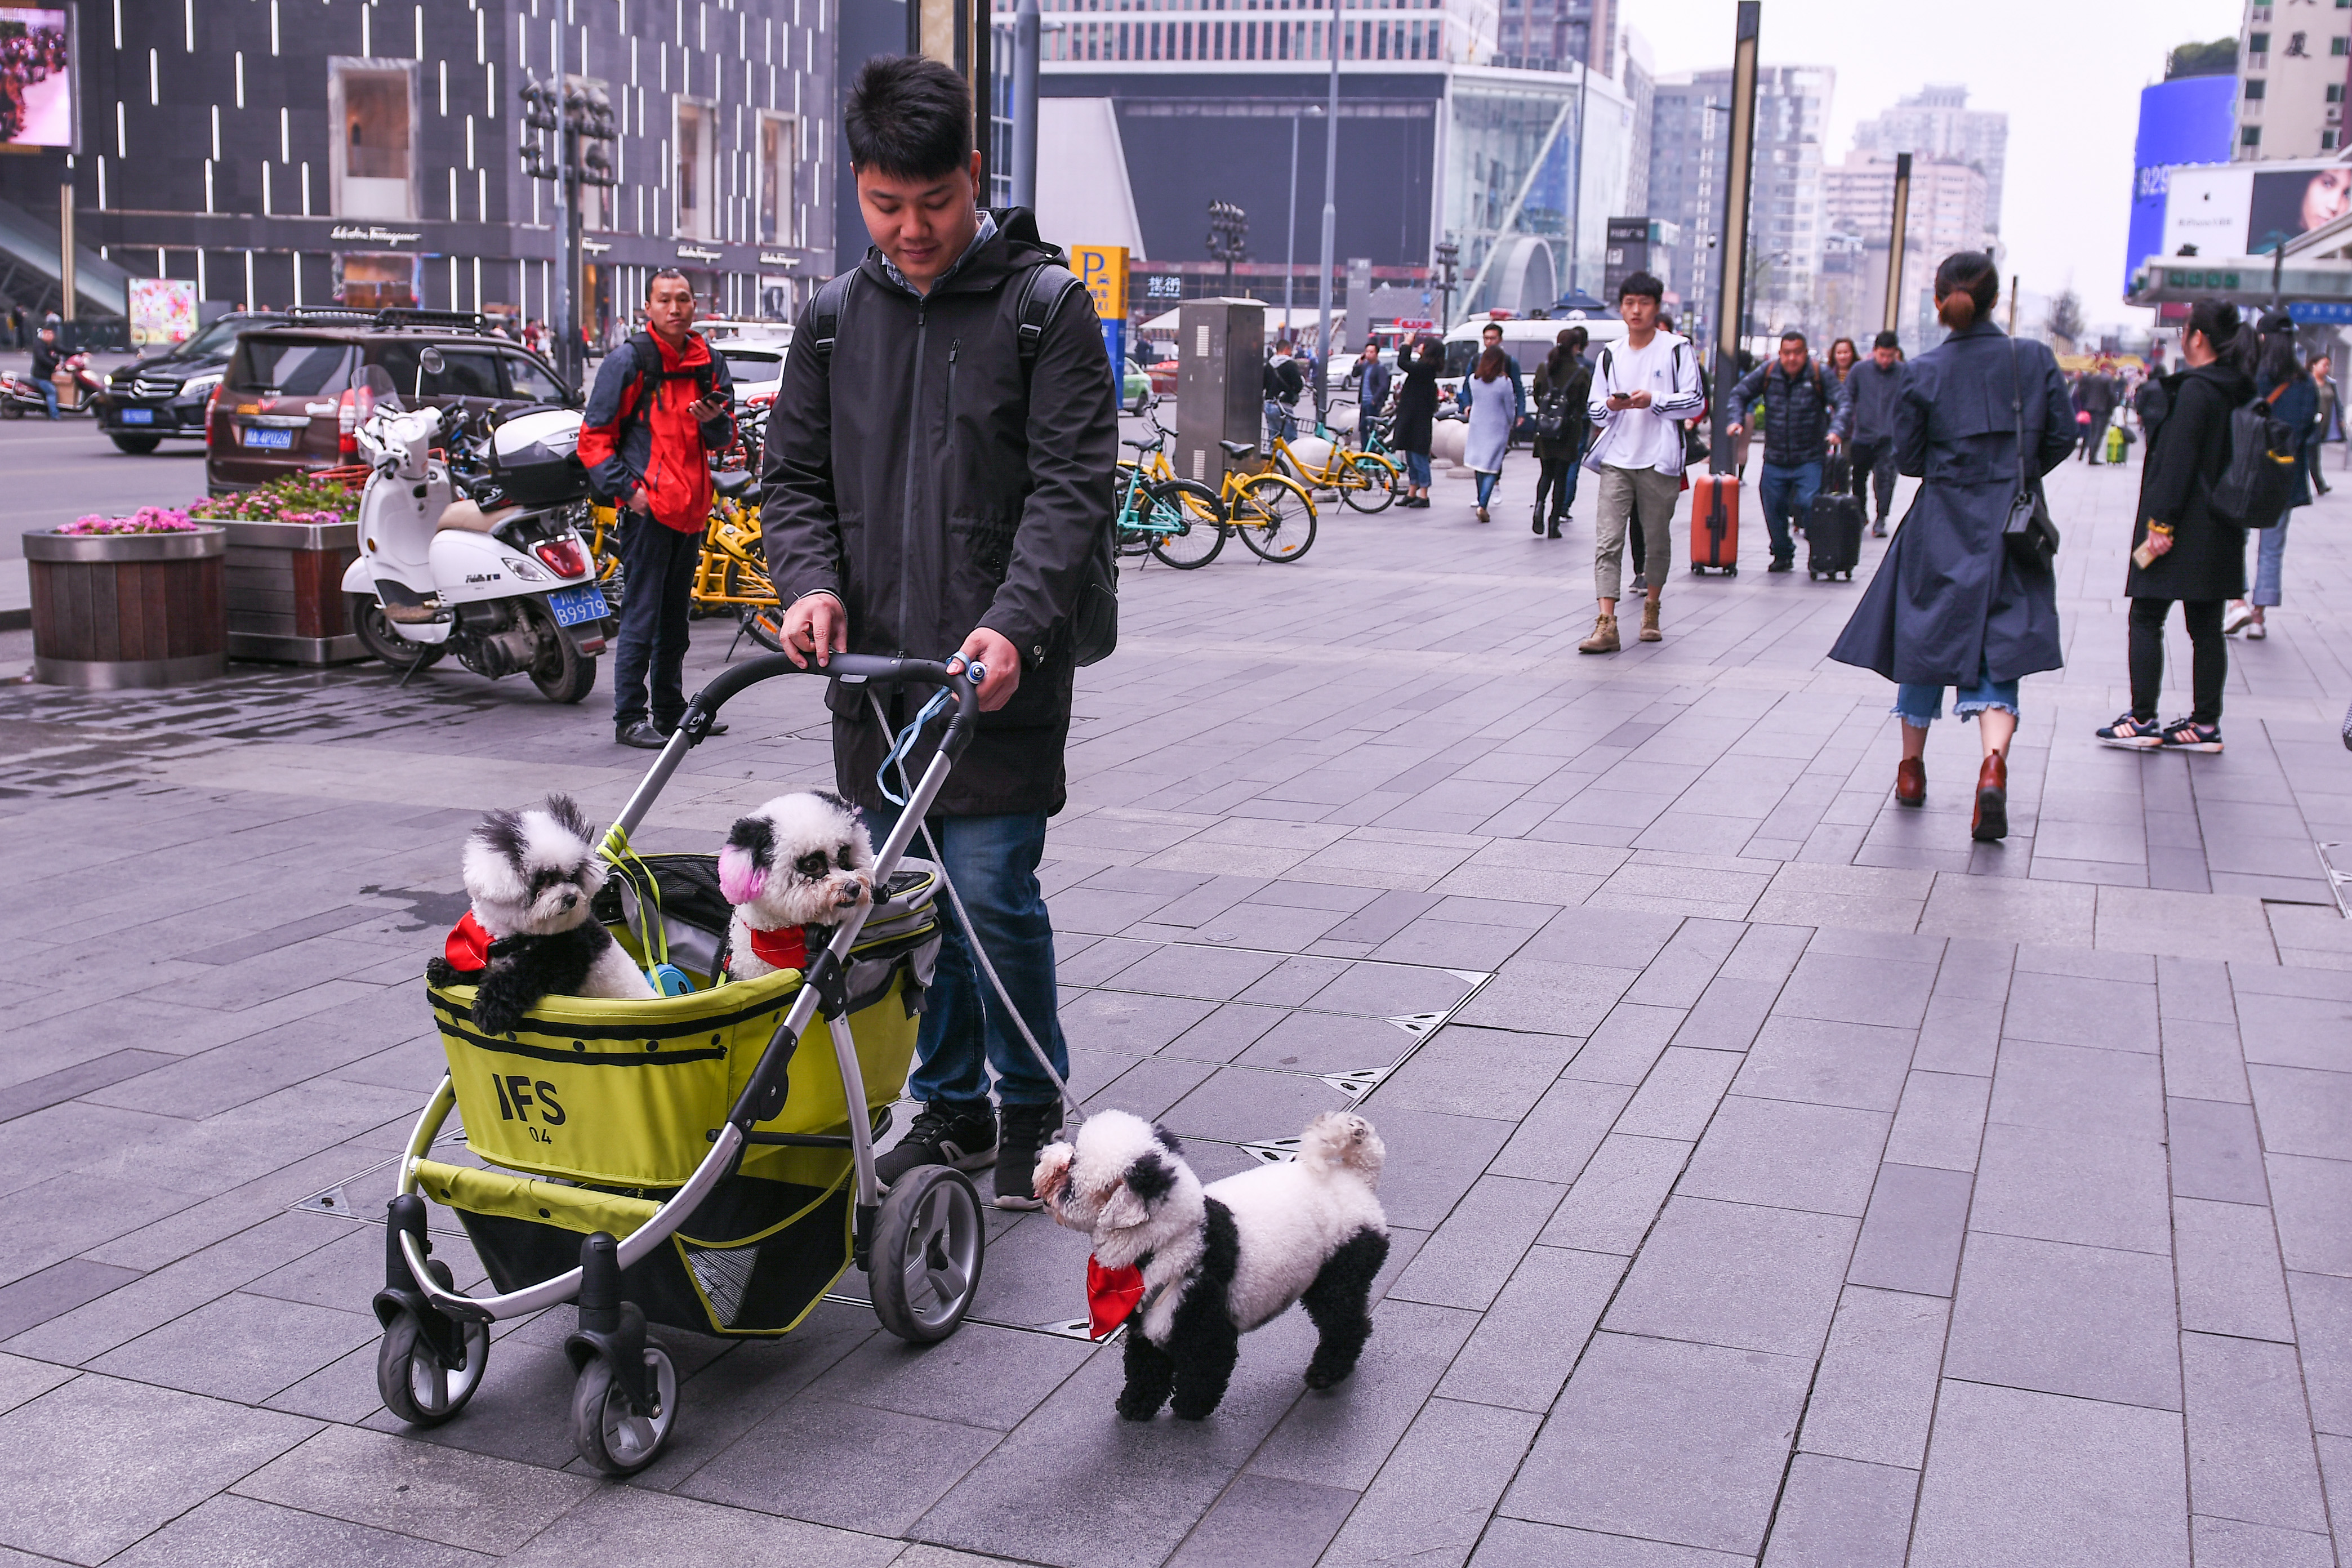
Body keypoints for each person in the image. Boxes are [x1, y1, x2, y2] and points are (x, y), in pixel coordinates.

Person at [762, 53, 1113, 1207]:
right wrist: (810, 582)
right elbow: (796, 483)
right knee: (908, 897)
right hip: (877, 678)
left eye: (935, 203)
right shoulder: (830, 324)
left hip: (999, 672)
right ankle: (948, 1104)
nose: (911, 230)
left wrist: (1015, 623)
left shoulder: (1046, 309)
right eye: (884, 205)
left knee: (992, 887)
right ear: (857, 187)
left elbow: (1072, 489)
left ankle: (1026, 1108)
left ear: (975, 173)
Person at [1829, 252, 2072, 842]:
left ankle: (1911, 769)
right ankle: (1993, 764)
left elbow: (1908, 459)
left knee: (1923, 633)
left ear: (1940, 301)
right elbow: (2064, 435)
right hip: (2011, 525)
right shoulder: (2033, 358)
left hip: (1942, 521)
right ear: (1994, 301)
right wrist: (2018, 473)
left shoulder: (1926, 371)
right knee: (2002, 640)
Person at [579, 269, 737, 749]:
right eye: (665, 300)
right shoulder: (629, 361)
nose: (675, 308)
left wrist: (714, 423)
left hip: (691, 509)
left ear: (695, 306)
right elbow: (593, 441)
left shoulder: (707, 360)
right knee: (641, 617)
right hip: (649, 511)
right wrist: (632, 494)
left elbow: (724, 436)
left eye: (683, 299)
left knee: (675, 620)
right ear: (648, 308)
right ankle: (630, 717)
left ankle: (670, 713)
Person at [2096, 300, 2259, 754]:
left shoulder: (2196, 391)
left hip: (2183, 526)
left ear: (2198, 337)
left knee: (2146, 615)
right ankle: (2206, 724)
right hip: (2224, 524)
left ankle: (2143, 718)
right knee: (2205, 626)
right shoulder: (2238, 388)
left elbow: (2177, 464)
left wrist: (2161, 525)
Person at [1579, 270, 1704, 652]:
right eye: (1630, 303)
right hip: (1617, 458)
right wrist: (1612, 406)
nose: (1636, 311)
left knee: (1656, 539)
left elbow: (1696, 401)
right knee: (1608, 540)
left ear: (1656, 307)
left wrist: (1656, 400)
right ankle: (1607, 623)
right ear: (1621, 307)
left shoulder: (1676, 349)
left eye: (1644, 303)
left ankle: (1651, 609)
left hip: (1659, 460)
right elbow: (1594, 409)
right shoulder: (1610, 354)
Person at [2222, 315, 2315, 644]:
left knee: (2236, 539)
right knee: (2272, 548)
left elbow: (2238, 421)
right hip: (2284, 476)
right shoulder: (2304, 382)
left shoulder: (2252, 377)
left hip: (2247, 473)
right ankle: (2259, 618)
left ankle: (2237, 602)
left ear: (2263, 338)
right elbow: (2305, 431)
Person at [1726, 331, 1850, 572]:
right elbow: (1739, 394)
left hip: (1810, 457)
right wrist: (1735, 419)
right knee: (1772, 507)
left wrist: (1837, 430)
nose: (1792, 359)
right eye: (1787, 353)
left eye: (1797, 353)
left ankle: (1820, 556)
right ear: (1780, 354)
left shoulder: (1818, 373)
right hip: (1775, 458)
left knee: (1810, 505)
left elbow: (1843, 401)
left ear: (1805, 354)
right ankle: (1782, 553)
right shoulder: (1769, 373)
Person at [1845, 331, 1908, 536]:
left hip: (1889, 437)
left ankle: (1881, 518)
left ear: (1896, 353)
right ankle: (1861, 514)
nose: (1886, 360)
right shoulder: (1860, 370)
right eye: (1882, 355)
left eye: (1890, 356)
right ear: (1874, 352)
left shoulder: (1904, 373)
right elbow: (1847, 398)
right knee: (1858, 477)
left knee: (1885, 478)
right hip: (1862, 435)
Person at [1531, 326, 1590, 537]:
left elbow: (1538, 397)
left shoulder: (1544, 368)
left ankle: (1539, 507)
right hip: (1569, 429)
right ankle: (1554, 522)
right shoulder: (1581, 372)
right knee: (1562, 476)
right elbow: (1583, 404)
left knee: (1546, 472)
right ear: (1576, 347)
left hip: (1546, 428)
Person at [1460, 343, 1519, 524]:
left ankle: (1480, 499)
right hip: (1497, 426)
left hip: (1478, 424)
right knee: (1492, 467)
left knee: (1479, 464)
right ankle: (1483, 505)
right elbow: (1510, 407)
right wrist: (1512, 422)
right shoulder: (1504, 383)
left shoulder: (1473, 380)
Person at [1391, 334, 1442, 509]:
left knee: (1419, 456)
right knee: (1412, 456)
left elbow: (1403, 363)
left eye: (1424, 344)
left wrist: (1406, 344)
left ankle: (1424, 494)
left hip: (1418, 420)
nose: (1420, 345)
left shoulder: (1426, 368)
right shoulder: (1425, 367)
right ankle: (1412, 492)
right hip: (1412, 418)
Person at [1263, 340, 1304, 446]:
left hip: (1269, 405)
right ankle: (1286, 462)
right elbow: (1299, 384)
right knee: (1291, 441)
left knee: (1274, 439)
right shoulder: (1290, 364)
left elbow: (1262, 385)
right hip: (1283, 406)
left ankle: (1272, 461)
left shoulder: (1269, 365)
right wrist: (1292, 394)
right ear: (1286, 349)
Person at [1353, 340, 1392, 449]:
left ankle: (1373, 451)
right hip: (1364, 402)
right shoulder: (1365, 366)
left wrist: (1375, 399)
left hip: (1372, 403)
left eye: (1371, 352)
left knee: (1372, 428)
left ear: (1376, 354)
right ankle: (1364, 449)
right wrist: (1359, 363)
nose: (1368, 354)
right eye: (1367, 352)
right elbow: (1354, 374)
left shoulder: (1380, 368)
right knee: (1362, 427)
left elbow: (1383, 386)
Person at [2074, 366, 2117, 464]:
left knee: (2092, 432)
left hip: (2091, 408)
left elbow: (2084, 392)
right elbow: (2112, 395)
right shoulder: (2109, 379)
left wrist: (2087, 404)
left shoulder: (2093, 378)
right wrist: (2114, 405)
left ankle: (2090, 455)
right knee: (2099, 433)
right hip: (2103, 410)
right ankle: (2093, 457)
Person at [2308, 351, 2336, 497]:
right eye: (2324, 365)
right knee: (2311, 457)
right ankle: (2320, 485)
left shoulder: (2331, 384)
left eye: (2328, 366)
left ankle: (2320, 484)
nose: (2327, 368)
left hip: (2323, 425)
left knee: (2314, 457)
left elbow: (2337, 405)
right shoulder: (2306, 382)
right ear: (2314, 365)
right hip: (2310, 424)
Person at [28, 315, 59, 420]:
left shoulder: (49, 345)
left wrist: (79, 353)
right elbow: (43, 358)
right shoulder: (39, 345)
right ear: (45, 334)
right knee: (52, 391)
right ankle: (54, 415)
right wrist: (55, 365)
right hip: (40, 377)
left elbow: (63, 350)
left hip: (46, 376)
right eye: (50, 333)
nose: (52, 336)